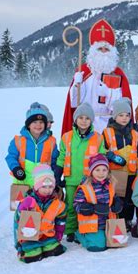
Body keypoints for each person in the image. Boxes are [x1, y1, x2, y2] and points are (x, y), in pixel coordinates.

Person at [62, 19, 132, 134]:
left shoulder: (118, 74)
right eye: (100, 48)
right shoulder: (83, 71)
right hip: (86, 124)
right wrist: (76, 85)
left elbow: (123, 103)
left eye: (107, 49)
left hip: (111, 127)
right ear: (93, 50)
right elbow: (74, 103)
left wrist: (108, 93)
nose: (103, 52)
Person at [54, 103, 106, 243]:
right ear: (75, 119)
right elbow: (62, 156)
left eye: (87, 118)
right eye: (81, 117)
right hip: (71, 179)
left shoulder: (98, 138)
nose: (84, 121)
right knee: (70, 206)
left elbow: (101, 158)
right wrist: (57, 174)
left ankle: (83, 229)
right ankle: (70, 230)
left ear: (91, 120)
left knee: (86, 206)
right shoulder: (67, 137)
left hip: (89, 181)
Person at [102, 99, 138, 227]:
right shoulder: (107, 132)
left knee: (130, 198)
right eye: (121, 115)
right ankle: (118, 220)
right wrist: (111, 156)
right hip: (115, 172)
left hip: (132, 172)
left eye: (127, 115)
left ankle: (128, 220)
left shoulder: (134, 133)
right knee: (118, 198)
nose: (124, 118)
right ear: (115, 116)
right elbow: (102, 150)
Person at [14, 164, 66, 263]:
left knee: (56, 250)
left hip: (47, 235)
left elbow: (61, 221)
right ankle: (30, 250)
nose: (47, 190)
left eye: (50, 187)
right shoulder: (28, 201)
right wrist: (18, 245)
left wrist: (59, 234)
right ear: (37, 187)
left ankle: (45, 246)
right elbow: (17, 221)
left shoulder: (56, 203)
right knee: (32, 256)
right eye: (44, 187)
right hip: (30, 237)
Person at [73, 154, 124, 252]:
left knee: (116, 243)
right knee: (98, 247)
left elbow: (114, 197)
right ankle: (80, 234)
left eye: (104, 170)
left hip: (109, 223)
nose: (101, 173)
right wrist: (91, 208)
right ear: (91, 171)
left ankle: (100, 236)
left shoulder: (110, 185)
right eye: (97, 170)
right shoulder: (85, 187)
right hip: (93, 225)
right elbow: (76, 205)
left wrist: (117, 203)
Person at [5, 102, 59, 186]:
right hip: (23, 183)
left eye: (41, 122)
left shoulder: (51, 141)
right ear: (28, 125)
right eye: (34, 122)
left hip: (43, 186)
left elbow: (54, 161)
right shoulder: (18, 141)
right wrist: (16, 168)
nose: (38, 125)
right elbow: (11, 157)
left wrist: (55, 176)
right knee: (26, 200)